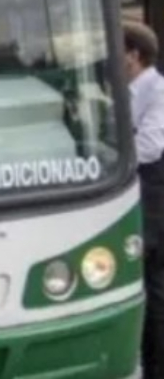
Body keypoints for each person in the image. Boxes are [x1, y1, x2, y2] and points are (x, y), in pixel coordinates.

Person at [127, 22, 164, 378]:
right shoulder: (132, 90)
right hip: (139, 199)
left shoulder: (157, 91)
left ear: (133, 55)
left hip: (155, 203)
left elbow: (151, 148)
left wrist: (110, 157)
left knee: (155, 291)